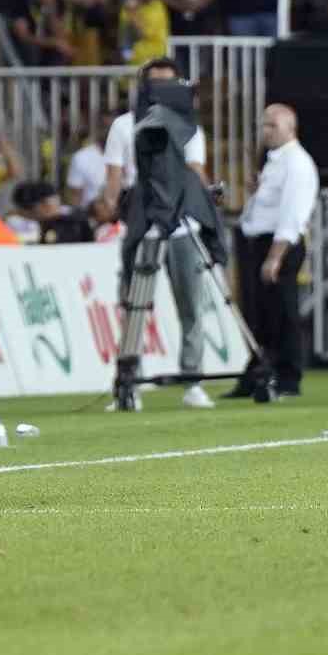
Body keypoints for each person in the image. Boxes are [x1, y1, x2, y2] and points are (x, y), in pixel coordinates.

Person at [103, 57, 216, 410]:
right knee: (133, 301)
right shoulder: (124, 126)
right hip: (143, 219)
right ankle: (129, 380)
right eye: (156, 84)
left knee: (190, 303)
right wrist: (122, 213)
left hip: (182, 223)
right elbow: (114, 181)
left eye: (170, 83)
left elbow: (195, 173)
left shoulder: (191, 128)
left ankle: (192, 378)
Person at [233, 105, 318, 399]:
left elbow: (292, 216)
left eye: (273, 126)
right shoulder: (274, 161)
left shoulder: (297, 163)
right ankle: (258, 373)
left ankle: (288, 377)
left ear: (290, 128)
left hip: (279, 244)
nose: (266, 131)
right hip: (257, 241)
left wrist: (275, 256)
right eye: (264, 125)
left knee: (283, 312)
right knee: (259, 314)